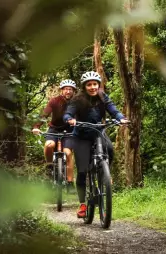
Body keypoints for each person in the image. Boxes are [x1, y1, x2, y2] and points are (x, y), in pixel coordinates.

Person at [63, 71, 129, 218]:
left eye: (95, 84)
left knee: (110, 150)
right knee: (81, 171)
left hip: (99, 132)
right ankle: (82, 205)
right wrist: (70, 119)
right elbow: (68, 113)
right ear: (84, 86)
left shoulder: (102, 96)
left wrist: (121, 118)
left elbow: (113, 110)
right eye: (89, 85)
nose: (92, 87)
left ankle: (105, 174)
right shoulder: (77, 99)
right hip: (81, 136)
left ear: (98, 85)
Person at [32, 79, 76, 190]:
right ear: (62, 90)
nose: (68, 91)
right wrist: (36, 126)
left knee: (68, 153)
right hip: (54, 129)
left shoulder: (76, 102)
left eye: (70, 89)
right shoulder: (54, 101)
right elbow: (44, 114)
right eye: (66, 89)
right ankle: (49, 166)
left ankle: (70, 182)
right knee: (48, 145)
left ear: (73, 91)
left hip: (69, 131)